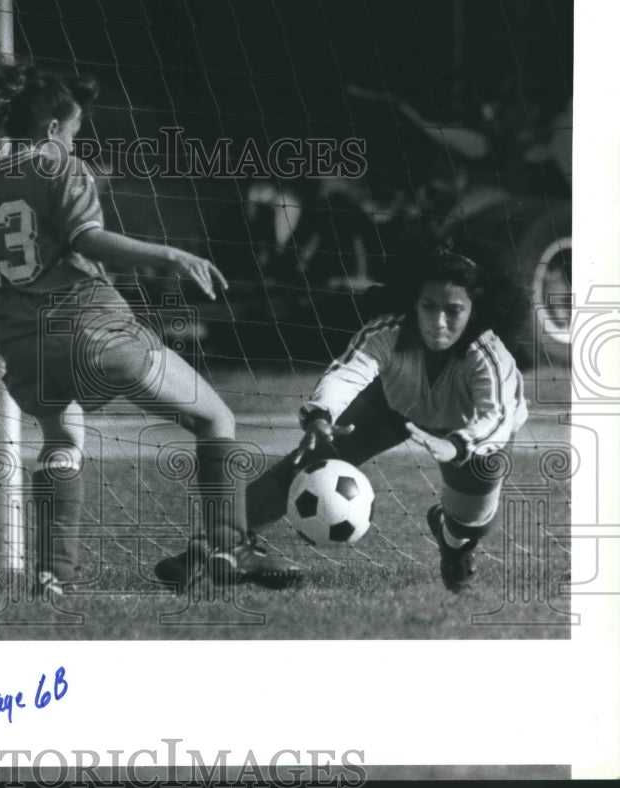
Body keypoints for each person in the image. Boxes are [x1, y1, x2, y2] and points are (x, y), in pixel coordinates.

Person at [0, 62, 300, 595]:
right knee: (215, 417)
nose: (76, 138)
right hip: (92, 329)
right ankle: (229, 548)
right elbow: (87, 238)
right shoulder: (59, 166)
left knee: (61, 441)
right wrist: (168, 255)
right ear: (52, 130)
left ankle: (52, 573)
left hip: (23, 345)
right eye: (75, 129)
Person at [157, 233, 531, 592]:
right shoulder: (388, 332)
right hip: (393, 406)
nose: (438, 322)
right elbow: (347, 373)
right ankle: (208, 548)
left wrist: (458, 445)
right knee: (301, 465)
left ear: (475, 309)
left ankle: (454, 543)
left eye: (454, 311)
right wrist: (321, 415)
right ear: (413, 301)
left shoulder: (489, 355)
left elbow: (495, 417)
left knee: (472, 522)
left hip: (470, 436)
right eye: (428, 306)